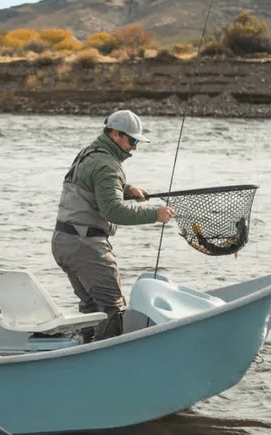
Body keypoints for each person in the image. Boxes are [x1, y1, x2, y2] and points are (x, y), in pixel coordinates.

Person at [51, 109, 175, 342]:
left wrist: (127, 189)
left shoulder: (88, 152)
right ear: (116, 134)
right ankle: (107, 360)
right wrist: (155, 214)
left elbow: (92, 184)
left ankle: (82, 353)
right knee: (113, 310)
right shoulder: (108, 164)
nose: (134, 147)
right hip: (86, 245)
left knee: (90, 311)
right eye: (133, 140)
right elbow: (113, 211)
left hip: (62, 242)